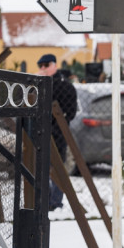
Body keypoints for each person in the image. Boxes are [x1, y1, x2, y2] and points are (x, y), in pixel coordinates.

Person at [36, 53, 79, 211]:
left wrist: (57, 124)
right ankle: (44, 200)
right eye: (40, 66)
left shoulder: (65, 86)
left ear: (54, 65)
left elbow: (71, 111)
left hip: (58, 134)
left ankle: (55, 202)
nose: (43, 68)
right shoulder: (38, 85)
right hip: (40, 132)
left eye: (46, 65)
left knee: (57, 167)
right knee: (41, 167)